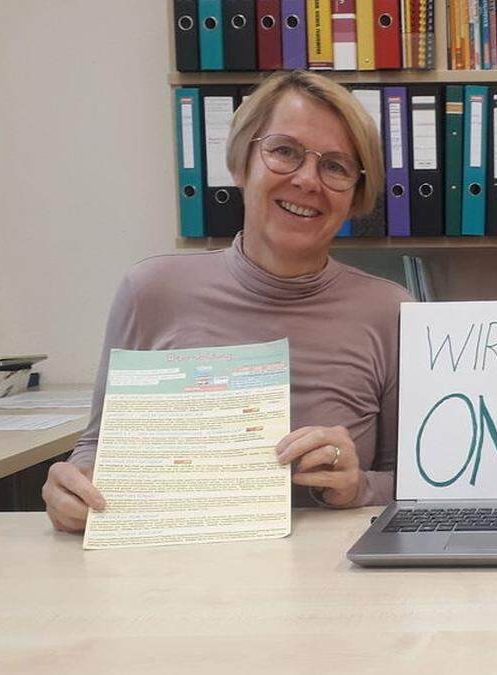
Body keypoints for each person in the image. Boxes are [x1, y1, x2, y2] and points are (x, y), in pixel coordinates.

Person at [42, 70, 410, 532]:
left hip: (330, 583)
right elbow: (97, 453)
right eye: (284, 152)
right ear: (240, 163)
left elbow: (415, 484)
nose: (307, 180)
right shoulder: (151, 292)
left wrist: (358, 488)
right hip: (176, 574)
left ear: (356, 196)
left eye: (335, 167)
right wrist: (71, 488)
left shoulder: (390, 312)